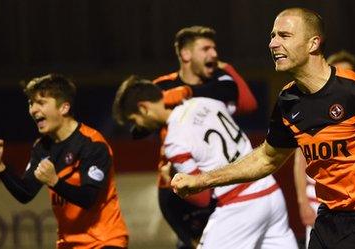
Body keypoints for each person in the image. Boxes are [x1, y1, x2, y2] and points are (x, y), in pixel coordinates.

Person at [171, 8, 355, 249]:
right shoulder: (287, 102)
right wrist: (202, 180)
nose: (273, 44)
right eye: (272, 36)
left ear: (313, 44)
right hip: (327, 223)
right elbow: (266, 158)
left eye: (284, 35)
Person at [112, 76, 298, 249]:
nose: (140, 126)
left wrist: (172, 179)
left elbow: (203, 198)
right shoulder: (207, 101)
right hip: (271, 192)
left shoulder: (174, 141)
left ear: (144, 108)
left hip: (239, 205)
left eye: (135, 119)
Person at [0, 74, 129, 249]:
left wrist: (55, 182)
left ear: (64, 108)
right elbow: (25, 193)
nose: (33, 110)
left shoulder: (92, 144)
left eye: (41, 103)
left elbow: (88, 198)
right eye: (31, 103)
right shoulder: (42, 147)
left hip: (105, 241)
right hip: (68, 243)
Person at [146, 26, 259, 249]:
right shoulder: (160, 87)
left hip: (218, 180)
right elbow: (139, 128)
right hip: (178, 182)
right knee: (190, 244)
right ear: (186, 54)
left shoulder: (222, 83)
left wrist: (226, 69)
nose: (214, 54)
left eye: (215, 48)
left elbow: (249, 105)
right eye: (206, 48)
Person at [293, 49, 355, 246]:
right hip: (319, 202)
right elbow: (300, 160)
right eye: (340, 73)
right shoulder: (314, 111)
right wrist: (303, 202)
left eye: (350, 74)